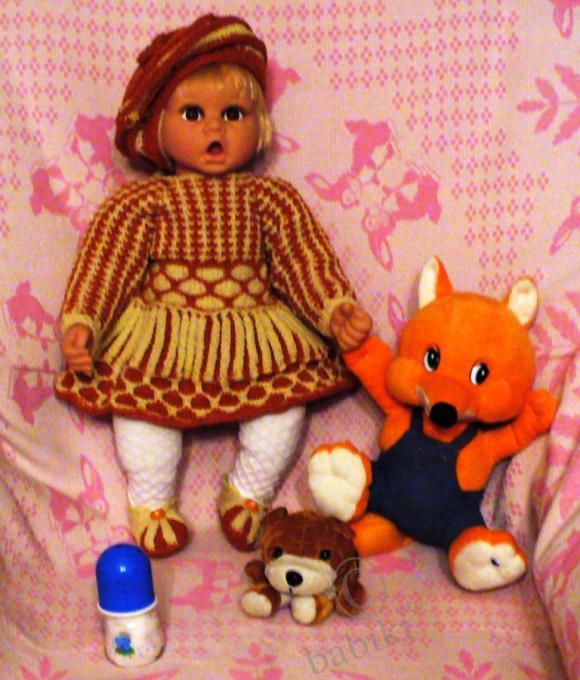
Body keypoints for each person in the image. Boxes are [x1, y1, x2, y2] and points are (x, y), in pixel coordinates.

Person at [55, 13, 372, 558]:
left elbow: (303, 257)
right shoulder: (142, 202)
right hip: (162, 340)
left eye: (233, 114)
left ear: (259, 123)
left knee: (281, 411)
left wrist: (334, 309)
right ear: (158, 127)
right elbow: (107, 263)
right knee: (142, 418)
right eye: (193, 114)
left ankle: (248, 491)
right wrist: (83, 322)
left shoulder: (271, 199)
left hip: (254, 336)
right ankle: (151, 499)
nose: (214, 129)